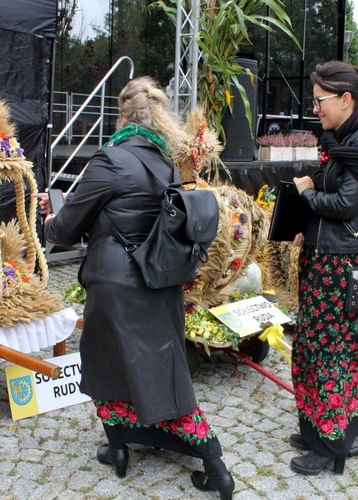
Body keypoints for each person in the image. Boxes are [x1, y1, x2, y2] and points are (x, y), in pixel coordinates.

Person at [39, 77, 235, 499]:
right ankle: (199, 461)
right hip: (159, 279)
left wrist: (50, 217)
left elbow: (67, 229)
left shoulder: (109, 160)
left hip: (116, 285)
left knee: (108, 363)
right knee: (164, 367)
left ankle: (125, 447)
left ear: (123, 116)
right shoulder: (165, 163)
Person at [288, 60, 358, 476]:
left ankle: (332, 444)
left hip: (341, 267)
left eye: (320, 100)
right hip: (324, 258)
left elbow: (345, 204)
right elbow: (332, 197)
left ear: (345, 99)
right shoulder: (342, 140)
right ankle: (316, 427)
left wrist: (305, 195)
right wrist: (305, 227)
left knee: (330, 351)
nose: (315, 109)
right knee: (312, 347)